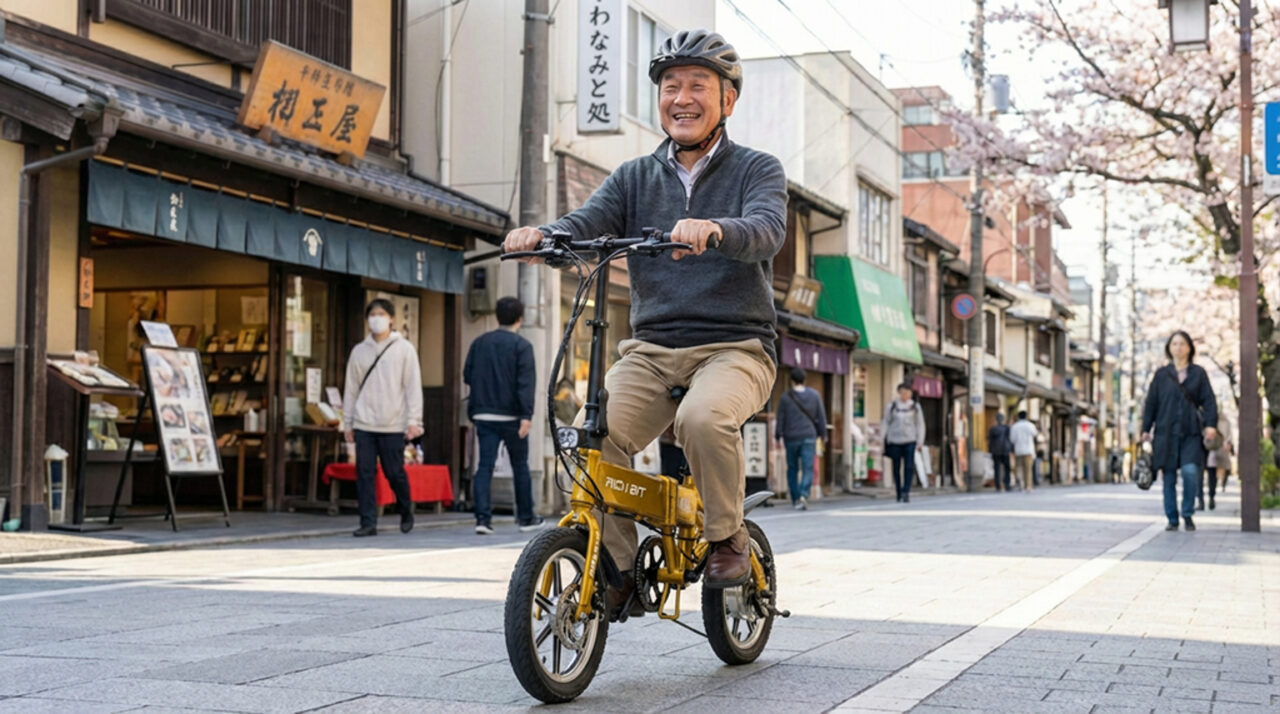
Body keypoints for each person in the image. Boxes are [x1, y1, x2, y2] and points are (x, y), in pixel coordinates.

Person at [504, 29, 785, 598]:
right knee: (591, 436)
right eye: (670, 87)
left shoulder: (758, 169)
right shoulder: (635, 176)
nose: (681, 98)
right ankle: (619, 568)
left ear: (728, 100)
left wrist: (716, 230)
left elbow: (766, 231)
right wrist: (546, 236)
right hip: (652, 351)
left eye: (697, 86)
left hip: (736, 347)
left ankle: (727, 537)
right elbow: (588, 221)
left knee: (702, 420)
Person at [342, 299, 423, 537]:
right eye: (372, 314)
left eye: (381, 314)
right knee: (364, 472)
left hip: (393, 422)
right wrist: (347, 423)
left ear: (391, 319)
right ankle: (368, 522)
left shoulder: (404, 349)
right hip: (364, 422)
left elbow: (412, 387)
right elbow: (351, 388)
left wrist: (414, 420)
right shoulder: (359, 351)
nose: (376, 318)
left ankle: (405, 507)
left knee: (393, 471)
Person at [464, 296, 543, 535]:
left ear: (497, 316)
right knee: (520, 466)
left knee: (484, 466)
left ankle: (482, 519)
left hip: (483, 414)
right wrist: (526, 415)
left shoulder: (479, 343)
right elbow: (525, 384)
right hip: (512, 417)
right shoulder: (522, 346)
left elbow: (467, 375)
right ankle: (526, 518)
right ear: (520, 318)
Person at [1142, 330, 1218, 531]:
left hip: (1191, 432)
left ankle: (1187, 513)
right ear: (1169, 347)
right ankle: (1172, 518)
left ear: (1190, 348)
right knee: (1168, 477)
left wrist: (1211, 425)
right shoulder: (1161, 375)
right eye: (1174, 344)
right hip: (1165, 433)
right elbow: (1151, 404)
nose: (1178, 347)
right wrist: (1145, 428)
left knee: (1191, 471)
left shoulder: (1198, 374)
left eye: (1182, 344)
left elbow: (1209, 401)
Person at [774, 367, 827, 511]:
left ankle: (796, 497)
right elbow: (821, 416)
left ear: (792, 380)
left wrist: (778, 435)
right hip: (809, 436)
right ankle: (804, 493)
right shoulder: (815, 396)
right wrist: (823, 434)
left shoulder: (785, 397)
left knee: (792, 468)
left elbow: (781, 418)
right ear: (805, 379)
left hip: (791, 437)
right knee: (808, 467)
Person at [882, 382, 925, 503]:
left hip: (910, 440)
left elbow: (920, 424)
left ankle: (906, 491)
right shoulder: (892, 406)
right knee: (896, 467)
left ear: (911, 394)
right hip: (894, 440)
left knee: (909, 466)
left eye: (908, 392)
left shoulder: (915, 407)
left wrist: (920, 441)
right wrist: (883, 439)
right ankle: (898, 491)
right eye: (903, 392)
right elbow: (886, 422)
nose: (905, 395)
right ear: (899, 393)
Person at [1200, 412, 1231, 511]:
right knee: (1214, 473)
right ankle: (1212, 494)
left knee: (1212, 473)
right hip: (1216, 448)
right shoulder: (1224, 421)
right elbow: (1229, 435)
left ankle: (1211, 494)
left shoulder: (1211, 419)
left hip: (1213, 448)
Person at [1009, 411, 1038, 492]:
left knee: (1019, 468)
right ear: (1026, 416)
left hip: (1018, 450)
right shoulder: (1030, 425)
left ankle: (1021, 485)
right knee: (1028, 469)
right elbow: (1035, 435)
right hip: (1029, 450)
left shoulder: (1015, 426)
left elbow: (1012, 439)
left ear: (1018, 417)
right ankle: (1028, 486)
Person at [987, 412, 1013, 492]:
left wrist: (990, 450)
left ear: (996, 419)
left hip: (996, 450)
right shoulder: (1007, 428)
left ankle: (998, 485)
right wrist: (1011, 449)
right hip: (1005, 450)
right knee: (1007, 469)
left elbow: (990, 440)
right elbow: (1010, 439)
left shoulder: (993, 429)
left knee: (997, 468)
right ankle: (1007, 485)